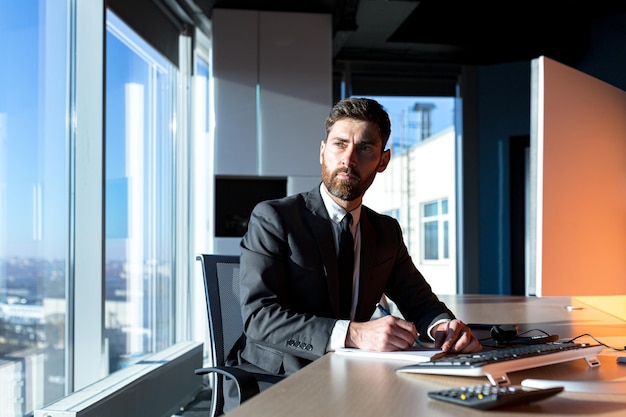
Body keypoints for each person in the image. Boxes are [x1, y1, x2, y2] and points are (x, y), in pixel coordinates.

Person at [225, 97, 482, 410]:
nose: (348, 158)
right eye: (339, 144)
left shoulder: (385, 231)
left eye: (364, 148)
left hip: (355, 376)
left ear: (383, 160)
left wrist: (443, 327)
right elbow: (259, 318)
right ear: (323, 150)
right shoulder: (275, 218)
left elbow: (420, 301)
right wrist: (354, 334)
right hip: (278, 380)